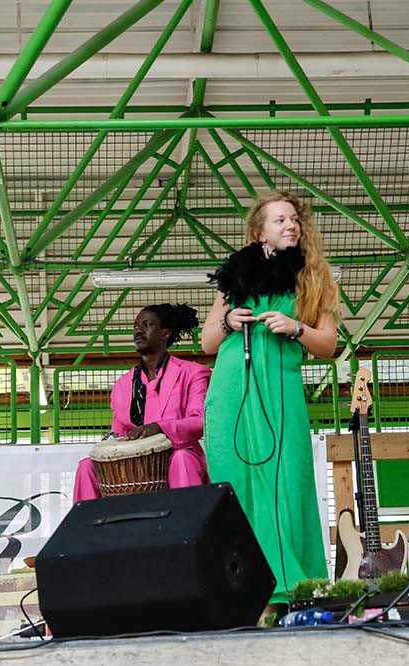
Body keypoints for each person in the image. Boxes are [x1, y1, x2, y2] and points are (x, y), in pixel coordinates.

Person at [201, 191, 338, 604]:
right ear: (259, 231)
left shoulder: (313, 278)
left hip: (281, 393)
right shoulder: (235, 278)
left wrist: (297, 328)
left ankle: (290, 588)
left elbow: (328, 345)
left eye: (294, 219)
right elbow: (208, 342)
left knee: (286, 482)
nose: (290, 225)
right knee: (236, 482)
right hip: (231, 392)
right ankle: (243, 589)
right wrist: (228, 321)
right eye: (280, 220)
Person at [73, 304, 210, 501]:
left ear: (165, 333)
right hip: (135, 466)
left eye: (146, 325)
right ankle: (90, 521)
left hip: (177, 455)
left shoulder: (193, 373)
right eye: (136, 326)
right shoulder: (122, 385)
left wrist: (159, 428)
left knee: (182, 459)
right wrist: (113, 440)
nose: (138, 330)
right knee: (86, 466)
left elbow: (200, 422)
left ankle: (189, 518)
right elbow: (119, 431)